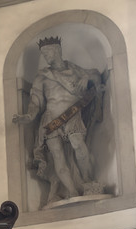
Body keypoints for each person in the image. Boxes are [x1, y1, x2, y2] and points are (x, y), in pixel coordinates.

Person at [13, 37, 105, 204]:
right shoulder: (42, 76)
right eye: (43, 54)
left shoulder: (75, 70)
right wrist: (29, 116)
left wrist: (87, 78)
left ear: (58, 51)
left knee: (78, 144)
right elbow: (35, 100)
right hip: (51, 119)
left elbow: (96, 75)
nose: (46, 56)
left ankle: (87, 180)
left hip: (72, 115)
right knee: (58, 156)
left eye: (48, 52)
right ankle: (72, 191)